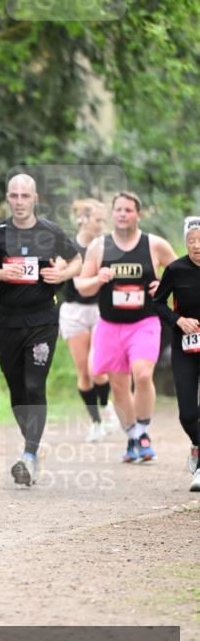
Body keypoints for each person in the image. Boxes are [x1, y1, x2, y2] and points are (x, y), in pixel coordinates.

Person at [0, 174, 81, 486]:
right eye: (14, 196)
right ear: (8, 198)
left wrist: (62, 272)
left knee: (34, 385)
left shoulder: (50, 231)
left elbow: (77, 262)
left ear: (35, 199)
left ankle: (29, 454)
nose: (19, 201)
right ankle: (33, 447)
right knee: (18, 390)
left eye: (25, 196)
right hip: (6, 322)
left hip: (42, 319)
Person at [76, 191, 176, 464]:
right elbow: (81, 285)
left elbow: (183, 272)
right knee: (119, 385)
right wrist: (97, 278)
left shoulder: (154, 245)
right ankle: (132, 436)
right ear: (113, 214)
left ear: (138, 215)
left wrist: (165, 286)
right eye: (118, 209)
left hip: (145, 322)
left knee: (142, 375)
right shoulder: (99, 246)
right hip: (110, 325)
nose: (122, 214)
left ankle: (143, 432)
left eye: (128, 210)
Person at [59, 199, 119, 442]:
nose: (102, 225)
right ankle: (95, 421)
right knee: (83, 372)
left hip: (99, 310)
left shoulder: (107, 247)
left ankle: (106, 407)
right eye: (98, 220)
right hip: (73, 311)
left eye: (105, 220)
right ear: (83, 219)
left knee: (97, 368)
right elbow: (60, 273)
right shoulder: (67, 247)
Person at [152, 217, 200, 491]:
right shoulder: (175, 269)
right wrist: (178, 320)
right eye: (191, 241)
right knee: (187, 414)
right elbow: (158, 304)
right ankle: (196, 443)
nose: (196, 246)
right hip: (185, 346)